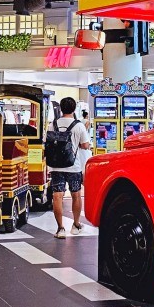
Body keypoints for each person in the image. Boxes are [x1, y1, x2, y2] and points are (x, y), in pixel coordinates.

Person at [46, 96, 91, 238]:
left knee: (57, 196)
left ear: (61, 108)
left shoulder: (53, 124)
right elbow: (85, 145)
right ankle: (76, 225)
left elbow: (46, 142)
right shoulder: (79, 126)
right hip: (73, 166)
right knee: (76, 195)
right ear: (73, 109)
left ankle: (60, 229)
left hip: (56, 167)